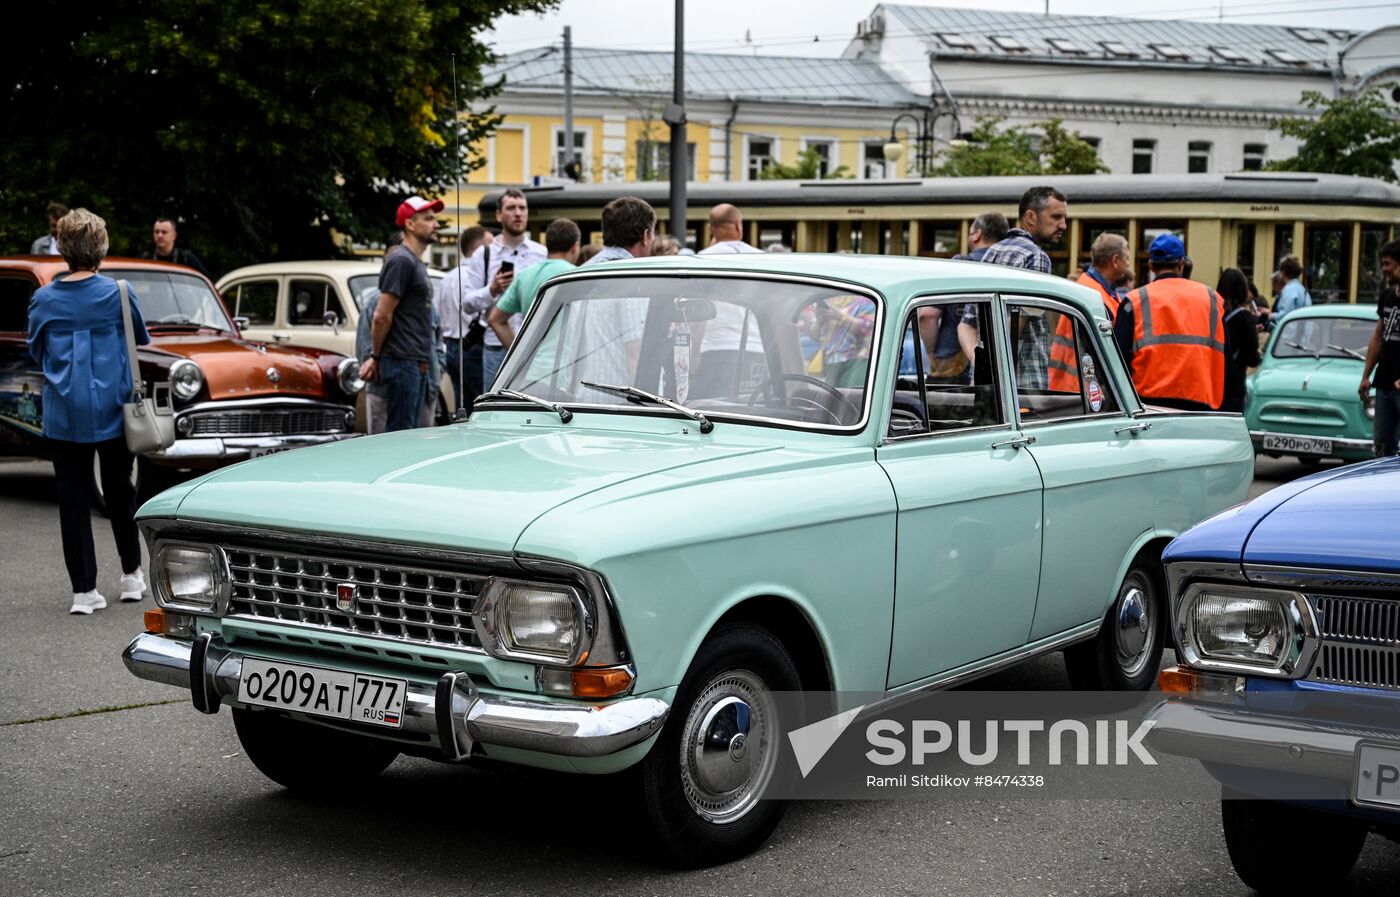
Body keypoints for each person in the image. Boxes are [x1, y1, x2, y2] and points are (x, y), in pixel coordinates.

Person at [26, 209, 149, 615]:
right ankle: (131, 575)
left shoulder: (43, 298)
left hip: (64, 413)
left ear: (62, 248)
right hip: (114, 410)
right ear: (101, 247)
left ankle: (84, 591)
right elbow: (139, 338)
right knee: (119, 493)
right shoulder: (119, 291)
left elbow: (36, 350)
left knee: (73, 501)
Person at [959, 188, 1069, 388]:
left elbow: (966, 325)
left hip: (986, 383)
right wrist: (997, 361)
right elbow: (1017, 325)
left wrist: (982, 363)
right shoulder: (1037, 256)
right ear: (1030, 216)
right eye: (1056, 217)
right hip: (1023, 381)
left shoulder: (990, 253)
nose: (1064, 225)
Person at [1114, 233, 1225, 411]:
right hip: (1202, 402)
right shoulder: (1213, 299)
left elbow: (1118, 360)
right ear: (1182, 264)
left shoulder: (1133, 301)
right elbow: (1229, 357)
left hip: (1148, 405)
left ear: (1151, 266)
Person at [452, 189, 547, 393]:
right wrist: (492, 289)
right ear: (499, 215)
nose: (518, 213)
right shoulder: (483, 255)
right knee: (494, 408)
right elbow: (467, 304)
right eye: (511, 208)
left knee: (532, 408)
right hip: (496, 347)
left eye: (522, 208)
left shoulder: (540, 253)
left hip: (531, 346)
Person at [360, 195, 440, 432]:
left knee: (409, 436)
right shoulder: (401, 261)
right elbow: (381, 315)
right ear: (410, 224)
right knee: (401, 436)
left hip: (414, 364)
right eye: (429, 219)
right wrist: (375, 357)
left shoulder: (414, 262)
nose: (436, 224)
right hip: (402, 363)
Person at [920, 212, 1009, 383]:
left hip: (951, 364)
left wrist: (932, 354)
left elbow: (927, 315)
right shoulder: (1005, 267)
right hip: (994, 366)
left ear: (977, 234)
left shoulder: (959, 265)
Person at [691, 204, 766, 398]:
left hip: (715, 349)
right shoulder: (762, 259)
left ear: (711, 229)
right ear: (738, 225)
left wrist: (694, 355)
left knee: (711, 408)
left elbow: (698, 314)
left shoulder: (702, 260)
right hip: (757, 349)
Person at [1048, 233, 1131, 392]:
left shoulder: (1091, 288)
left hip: (1071, 385)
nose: (1128, 264)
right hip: (1082, 390)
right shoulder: (1094, 297)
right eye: (1126, 258)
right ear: (1115, 260)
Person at [488, 218, 580, 349]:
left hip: (532, 364)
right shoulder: (577, 277)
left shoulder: (524, 276)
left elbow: (495, 320)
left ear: (547, 244)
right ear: (575, 247)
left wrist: (518, 353)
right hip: (568, 363)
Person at [434, 225, 494, 414]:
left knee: (462, 406)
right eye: (491, 246)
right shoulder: (477, 279)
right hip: (474, 347)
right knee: (483, 405)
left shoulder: (447, 278)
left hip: (451, 346)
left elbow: (437, 315)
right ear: (479, 249)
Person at [1359, 239, 1400, 456]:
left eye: (1388, 264)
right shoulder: (1387, 296)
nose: (1384, 269)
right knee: (1382, 447)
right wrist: (1366, 375)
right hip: (1384, 383)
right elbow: (1378, 336)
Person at [1217, 267, 1262, 413]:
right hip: (1233, 386)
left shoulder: (1214, 312)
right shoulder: (1244, 318)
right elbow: (1251, 358)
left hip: (1213, 384)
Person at [144, 217, 211, 279]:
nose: (159, 235)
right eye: (156, 232)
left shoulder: (187, 258)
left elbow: (206, 280)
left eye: (164, 232)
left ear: (174, 236)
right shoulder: (145, 258)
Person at [1274, 255, 1311, 322]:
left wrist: (1271, 315)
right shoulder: (1303, 290)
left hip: (1290, 331)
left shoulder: (1288, 290)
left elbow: (1284, 317)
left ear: (1283, 272)